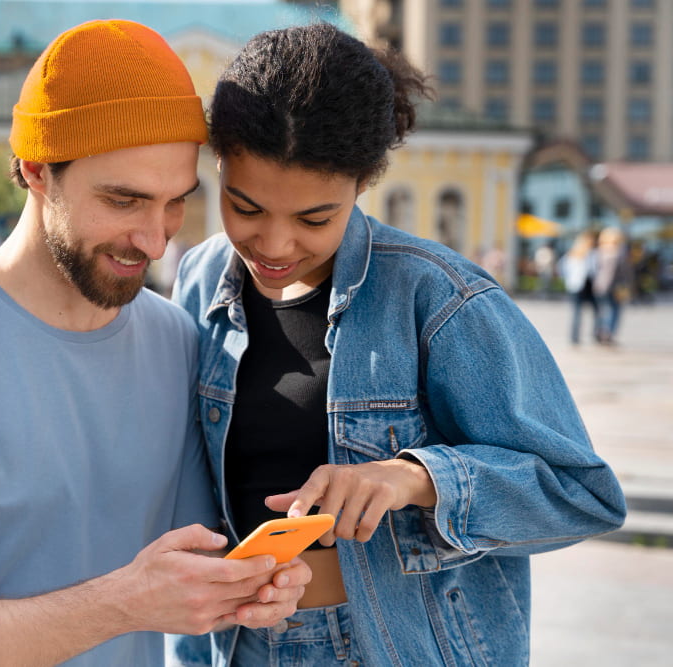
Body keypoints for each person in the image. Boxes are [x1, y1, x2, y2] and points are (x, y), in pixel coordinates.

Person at [0, 20, 310, 667]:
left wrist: (248, 583)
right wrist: (125, 603)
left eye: (174, 203)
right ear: (38, 170)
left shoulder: (173, 338)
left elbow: (187, 558)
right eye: (124, 200)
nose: (156, 240)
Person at [171, 23, 626, 666]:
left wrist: (414, 477)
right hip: (235, 645)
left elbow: (582, 496)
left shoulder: (440, 299)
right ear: (217, 166)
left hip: (390, 648)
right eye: (245, 208)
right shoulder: (197, 279)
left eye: (314, 218)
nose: (273, 246)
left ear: (363, 184)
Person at [592, 226, 632, 345]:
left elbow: (595, 269)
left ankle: (599, 332)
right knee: (615, 310)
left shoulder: (599, 252)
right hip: (614, 286)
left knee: (602, 310)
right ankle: (608, 333)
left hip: (599, 285)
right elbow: (624, 272)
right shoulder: (619, 253)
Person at [560, 230, 600, 345]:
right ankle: (578, 336)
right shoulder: (587, 254)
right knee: (581, 312)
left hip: (583, 285)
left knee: (583, 312)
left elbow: (562, 268)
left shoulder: (573, 254)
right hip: (582, 285)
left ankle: (583, 336)